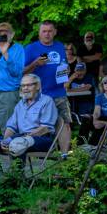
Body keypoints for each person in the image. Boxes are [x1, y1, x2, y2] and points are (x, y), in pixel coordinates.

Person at [0, 74, 58, 161]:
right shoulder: (20, 104)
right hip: (20, 138)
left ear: (38, 86)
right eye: (23, 86)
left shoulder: (47, 101)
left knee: (17, 143)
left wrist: (23, 137)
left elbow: (45, 128)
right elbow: (11, 127)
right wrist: (5, 141)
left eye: (29, 85)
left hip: (42, 139)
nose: (25, 88)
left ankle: (18, 174)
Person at [24, 20, 71, 155]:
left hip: (59, 92)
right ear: (39, 33)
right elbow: (21, 72)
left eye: (50, 31)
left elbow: (63, 65)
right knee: (39, 126)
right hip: (39, 95)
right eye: (44, 31)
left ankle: (64, 156)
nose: (47, 34)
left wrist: (66, 70)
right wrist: (35, 64)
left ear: (55, 32)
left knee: (64, 123)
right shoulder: (31, 48)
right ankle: (29, 152)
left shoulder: (60, 46)